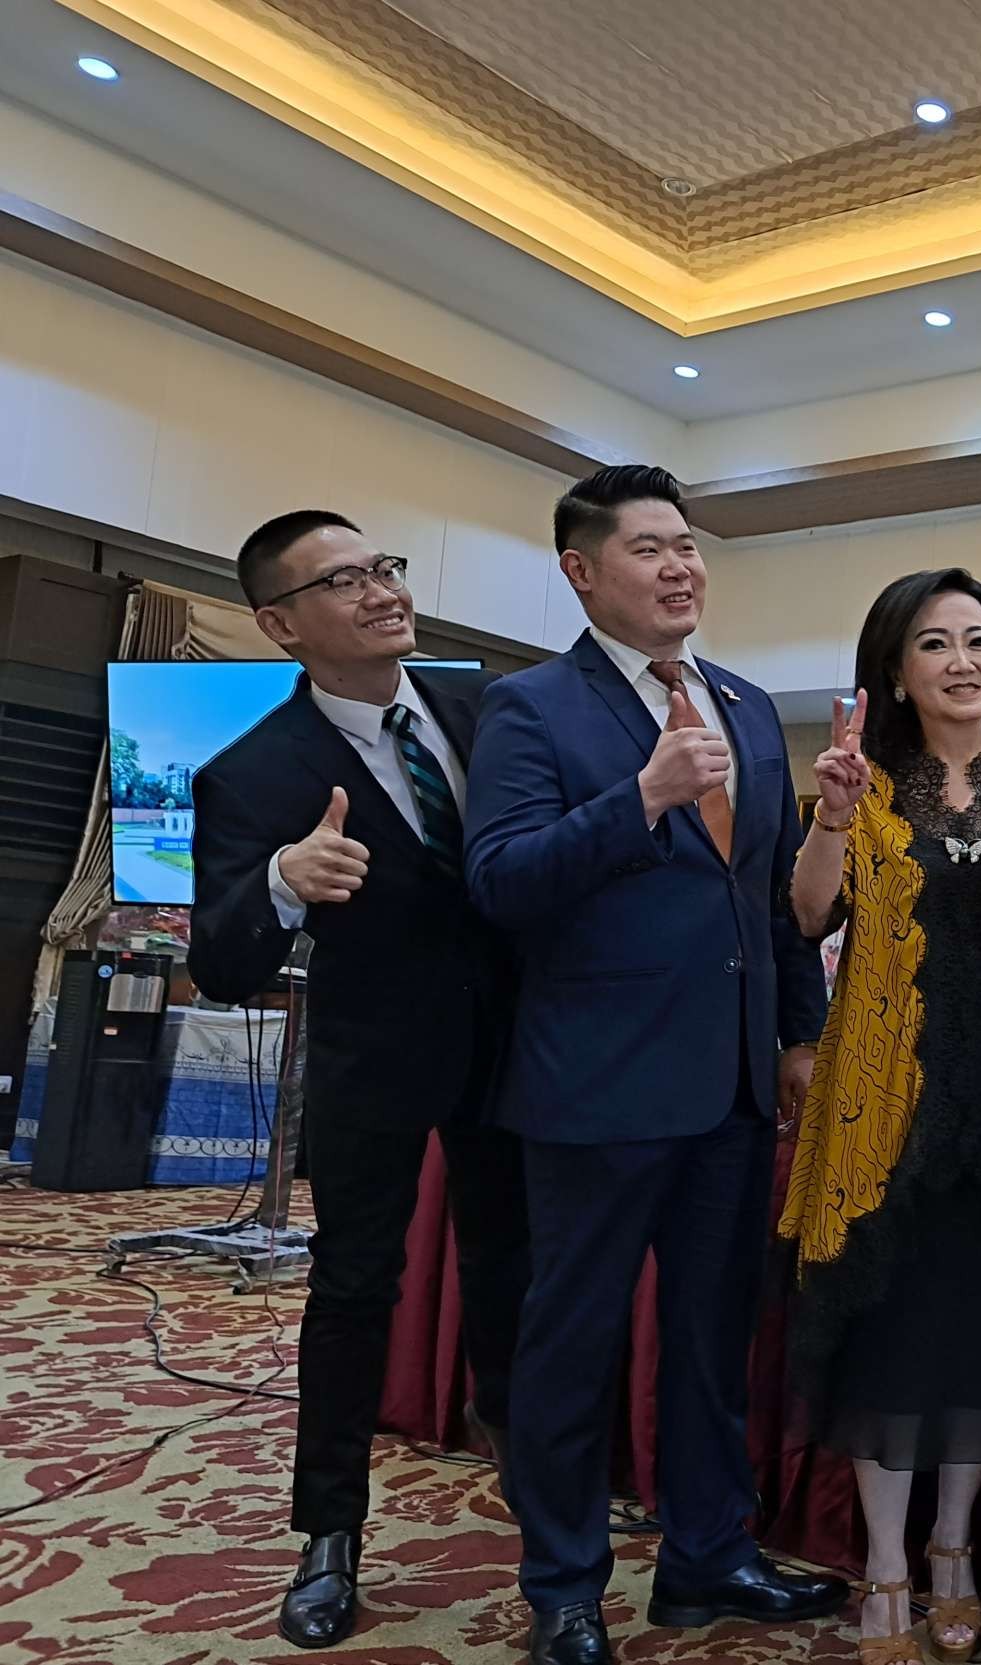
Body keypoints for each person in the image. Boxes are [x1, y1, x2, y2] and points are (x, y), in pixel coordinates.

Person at [462, 465, 844, 1665]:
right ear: (582, 571)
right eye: (649, 549)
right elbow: (502, 881)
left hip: (730, 1089)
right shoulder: (531, 709)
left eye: (689, 547)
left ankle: (707, 1555)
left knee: (711, 1337)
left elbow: (773, 905)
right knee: (569, 1345)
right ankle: (564, 1585)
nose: (681, 568)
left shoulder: (738, 698)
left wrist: (794, 1037)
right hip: (595, 1087)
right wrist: (640, 797)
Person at [188, 510, 530, 1650]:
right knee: (351, 1294)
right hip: (372, 1061)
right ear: (281, 624)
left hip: (516, 1050)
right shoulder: (252, 772)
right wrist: (284, 880)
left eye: (383, 566)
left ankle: (541, 1496)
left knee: (515, 1278)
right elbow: (222, 963)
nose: (382, 590)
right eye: (344, 581)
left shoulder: (490, 710)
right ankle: (329, 1536)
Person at [782, 568, 981, 1665]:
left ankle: (955, 1550)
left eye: (979, 640)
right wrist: (831, 820)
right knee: (887, 1338)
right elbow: (808, 913)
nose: (962, 662)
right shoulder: (866, 781)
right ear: (895, 668)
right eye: (936, 643)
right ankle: (888, 1561)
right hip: (880, 1107)